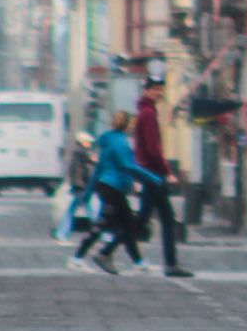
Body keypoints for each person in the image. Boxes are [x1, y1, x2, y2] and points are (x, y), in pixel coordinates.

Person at [132, 85, 194, 278]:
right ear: (146, 90)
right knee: (162, 219)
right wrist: (167, 171)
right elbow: (153, 148)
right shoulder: (149, 114)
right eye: (155, 90)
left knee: (153, 218)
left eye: (161, 90)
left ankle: (171, 263)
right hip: (153, 173)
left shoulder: (144, 112)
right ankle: (171, 264)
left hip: (148, 171)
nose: (159, 93)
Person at [72, 119, 148, 275]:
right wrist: (152, 179)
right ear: (126, 126)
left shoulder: (109, 143)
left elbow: (99, 170)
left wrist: (89, 192)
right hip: (113, 188)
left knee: (128, 225)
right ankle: (81, 257)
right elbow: (128, 167)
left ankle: (137, 262)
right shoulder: (120, 143)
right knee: (106, 223)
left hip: (109, 187)